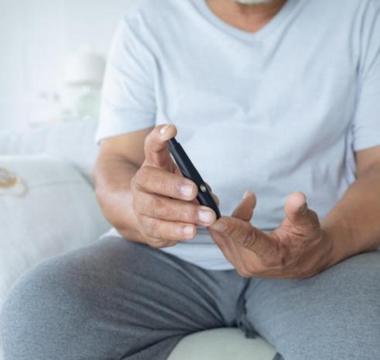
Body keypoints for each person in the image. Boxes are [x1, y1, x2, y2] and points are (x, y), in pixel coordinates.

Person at [1, 0, 380, 359]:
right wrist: (142, 212)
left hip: (323, 255)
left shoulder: (362, 14)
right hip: (165, 259)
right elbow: (117, 161)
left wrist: (325, 248)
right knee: (39, 315)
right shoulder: (148, 22)